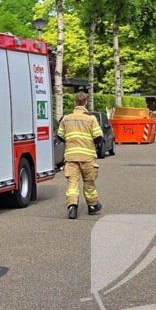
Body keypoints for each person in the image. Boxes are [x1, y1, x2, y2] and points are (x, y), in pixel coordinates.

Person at [56, 92, 104, 220]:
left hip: (71, 157)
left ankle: (72, 207)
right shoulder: (91, 119)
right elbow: (99, 137)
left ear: (75, 103)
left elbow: (59, 136)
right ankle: (93, 206)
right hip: (87, 157)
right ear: (86, 103)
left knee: (72, 183)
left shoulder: (66, 118)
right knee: (89, 183)